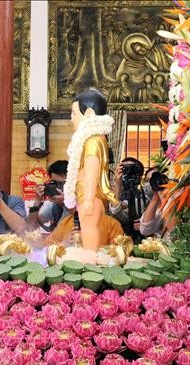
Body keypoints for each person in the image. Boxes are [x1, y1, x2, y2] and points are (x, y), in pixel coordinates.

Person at [63, 89, 118, 259]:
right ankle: (89, 255)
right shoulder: (91, 139)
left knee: (89, 227)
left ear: (88, 113)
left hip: (90, 196)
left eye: (74, 113)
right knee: (87, 227)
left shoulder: (93, 140)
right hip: (85, 194)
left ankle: (90, 259)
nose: (71, 118)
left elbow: (91, 171)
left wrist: (88, 199)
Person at [110, 157, 152, 243]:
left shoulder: (144, 197)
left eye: (132, 169)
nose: (129, 173)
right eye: (125, 169)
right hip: (120, 239)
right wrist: (118, 184)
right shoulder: (112, 193)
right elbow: (114, 213)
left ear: (140, 176)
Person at [28, 160, 70, 231]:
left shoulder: (82, 202)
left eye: (62, 184)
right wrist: (37, 201)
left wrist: (67, 203)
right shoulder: (54, 205)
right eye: (54, 183)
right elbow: (31, 227)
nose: (58, 187)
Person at [45, 210, 124, 248]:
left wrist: (93, 246)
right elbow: (46, 246)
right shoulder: (66, 222)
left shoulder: (111, 223)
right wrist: (65, 243)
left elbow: (121, 252)